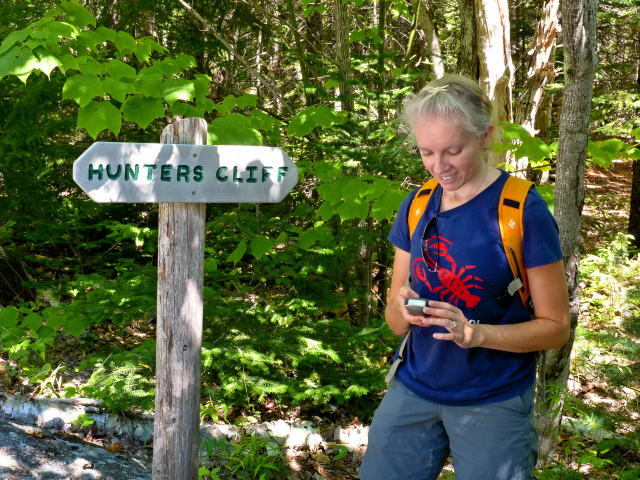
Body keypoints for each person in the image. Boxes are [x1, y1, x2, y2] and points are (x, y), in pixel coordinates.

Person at [358, 75, 571, 480]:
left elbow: (556, 328)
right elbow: (393, 319)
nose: (440, 167)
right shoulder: (418, 204)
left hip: (493, 398)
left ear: (485, 136)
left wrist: (477, 335)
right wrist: (403, 309)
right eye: (426, 153)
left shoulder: (521, 209)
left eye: (453, 150)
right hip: (414, 389)